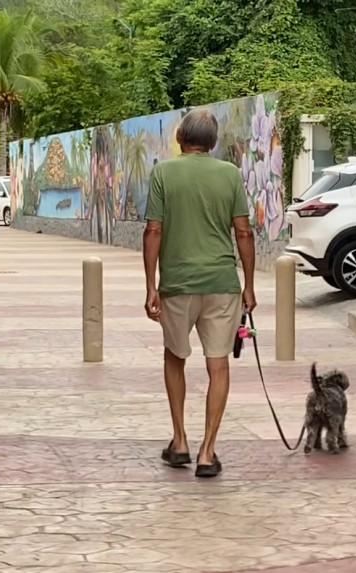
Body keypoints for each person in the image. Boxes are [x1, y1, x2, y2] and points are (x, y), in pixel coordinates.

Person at [143, 109, 256, 478]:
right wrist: (249, 286)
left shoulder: (163, 172)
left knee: (175, 357)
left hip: (177, 284)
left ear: (180, 137)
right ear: (212, 142)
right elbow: (243, 232)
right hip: (222, 283)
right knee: (218, 363)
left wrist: (150, 286)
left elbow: (153, 231)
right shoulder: (230, 174)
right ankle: (208, 452)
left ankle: (179, 442)